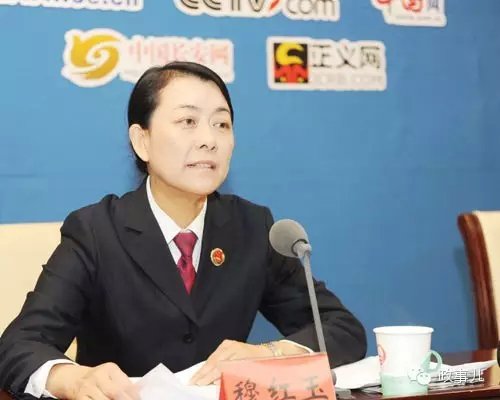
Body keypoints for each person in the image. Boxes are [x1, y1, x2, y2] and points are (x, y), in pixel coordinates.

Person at [0, 61, 366, 400]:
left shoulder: (252, 228)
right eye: (188, 121)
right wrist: (73, 379)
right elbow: (20, 344)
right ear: (142, 141)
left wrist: (269, 353)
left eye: (221, 124)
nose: (209, 139)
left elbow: (341, 328)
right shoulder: (95, 231)